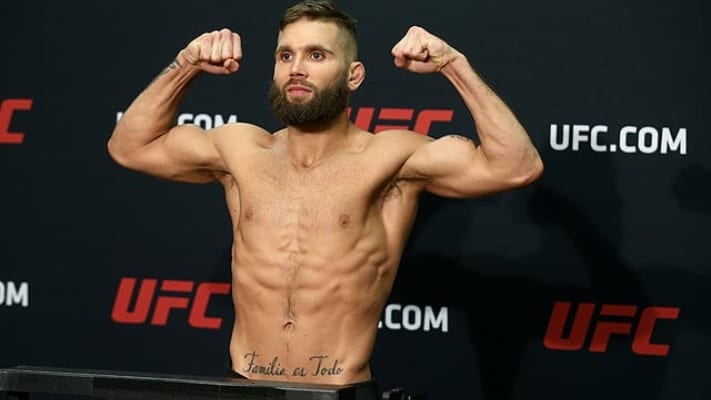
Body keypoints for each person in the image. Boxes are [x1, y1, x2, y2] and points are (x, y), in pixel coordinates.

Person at [107, 0, 543, 397]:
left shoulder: (392, 157)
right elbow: (130, 147)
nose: (297, 68)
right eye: (285, 55)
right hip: (243, 387)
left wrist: (453, 65)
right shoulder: (240, 150)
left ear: (354, 75)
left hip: (339, 391)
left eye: (317, 55)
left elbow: (516, 165)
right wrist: (186, 64)